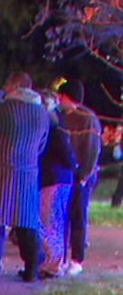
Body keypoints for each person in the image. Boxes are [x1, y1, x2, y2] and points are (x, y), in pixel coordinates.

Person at [0, 72, 50, 282]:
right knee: (27, 221)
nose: (4, 87)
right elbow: (41, 145)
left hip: (0, 171)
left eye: (7, 83)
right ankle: (33, 269)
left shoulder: (1, 110)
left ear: (17, 86)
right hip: (28, 173)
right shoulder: (42, 114)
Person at [56, 78, 102, 276]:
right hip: (67, 174)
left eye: (61, 96)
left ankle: (77, 259)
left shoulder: (87, 119)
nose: (59, 100)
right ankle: (62, 258)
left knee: (78, 216)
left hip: (80, 176)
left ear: (68, 97)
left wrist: (83, 176)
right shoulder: (62, 117)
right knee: (62, 217)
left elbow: (92, 150)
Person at [37, 90, 78, 279]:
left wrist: (73, 165)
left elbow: (63, 151)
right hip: (58, 177)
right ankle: (52, 263)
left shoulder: (52, 125)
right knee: (52, 221)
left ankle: (52, 264)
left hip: (54, 178)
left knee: (50, 221)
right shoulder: (56, 123)